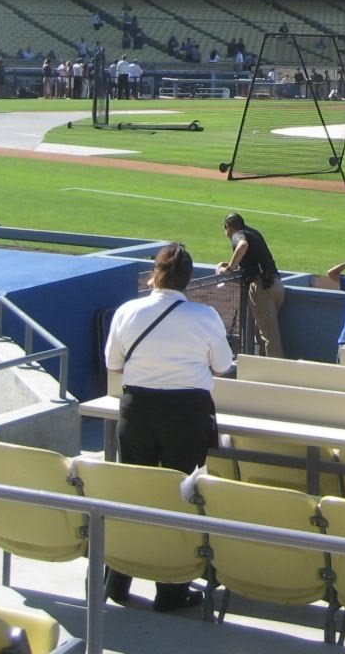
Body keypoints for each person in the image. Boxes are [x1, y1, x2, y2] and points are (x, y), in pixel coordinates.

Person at [102, 243, 231, 610]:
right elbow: (222, 366)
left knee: (133, 493)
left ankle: (117, 581)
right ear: (188, 280)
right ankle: (171, 589)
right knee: (178, 499)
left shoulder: (128, 310)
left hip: (137, 411)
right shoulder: (204, 316)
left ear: (155, 273)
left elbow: (114, 364)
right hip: (186, 415)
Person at [218, 213, 285, 358]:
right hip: (276, 285)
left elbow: (243, 245)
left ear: (228, 227)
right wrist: (231, 264)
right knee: (260, 332)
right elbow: (253, 259)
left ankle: (274, 373)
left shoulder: (238, 234)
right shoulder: (253, 232)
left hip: (262, 287)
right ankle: (262, 364)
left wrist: (229, 268)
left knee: (269, 336)